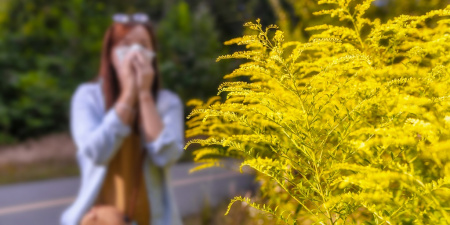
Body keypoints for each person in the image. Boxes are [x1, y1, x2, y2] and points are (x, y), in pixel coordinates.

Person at [61, 13, 184, 225]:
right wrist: (128, 94)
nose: (136, 53)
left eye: (144, 45)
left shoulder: (167, 102)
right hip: (101, 219)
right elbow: (96, 152)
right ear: (110, 54)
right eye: (126, 45)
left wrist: (144, 95)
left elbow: (167, 156)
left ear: (153, 55)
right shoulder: (87, 97)